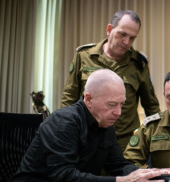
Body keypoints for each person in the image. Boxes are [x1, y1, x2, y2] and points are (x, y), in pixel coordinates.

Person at [10, 69, 170, 181]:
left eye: (122, 104)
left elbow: (118, 165)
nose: (118, 112)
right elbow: (64, 176)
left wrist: (150, 173)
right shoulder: (64, 122)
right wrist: (122, 180)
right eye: (112, 104)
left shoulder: (105, 122)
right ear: (88, 99)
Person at [61, 10, 160, 151]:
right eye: (122, 34)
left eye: (132, 38)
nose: (126, 42)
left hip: (124, 144)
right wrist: (65, 132)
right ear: (109, 29)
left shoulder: (139, 64)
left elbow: (151, 106)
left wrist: (156, 140)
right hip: (87, 139)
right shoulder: (84, 57)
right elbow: (69, 98)